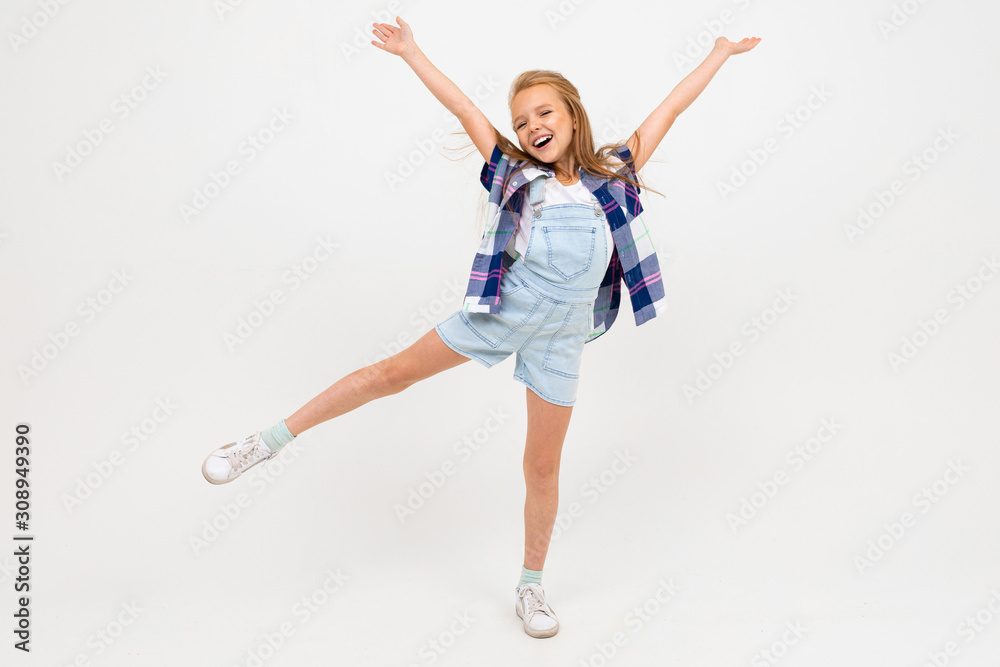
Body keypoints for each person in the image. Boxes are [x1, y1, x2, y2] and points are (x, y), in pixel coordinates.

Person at [201, 15, 760, 639]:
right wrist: (412, 52)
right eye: (522, 121)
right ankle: (265, 441)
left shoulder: (613, 176)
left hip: (561, 341)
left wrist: (717, 54)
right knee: (389, 375)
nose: (532, 127)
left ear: (572, 116)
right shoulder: (519, 176)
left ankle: (530, 588)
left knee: (542, 469)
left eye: (543, 113)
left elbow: (671, 110)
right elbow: (464, 105)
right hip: (503, 312)